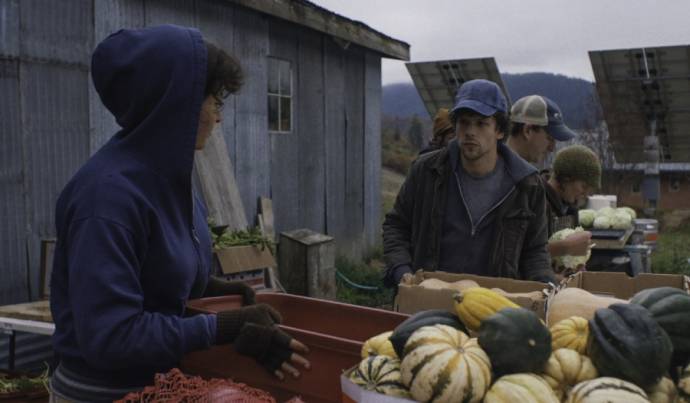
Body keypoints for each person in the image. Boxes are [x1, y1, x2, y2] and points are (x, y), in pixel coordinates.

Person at [49, 25, 309, 402]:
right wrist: (220, 327)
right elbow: (111, 337)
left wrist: (225, 295)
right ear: (176, 104)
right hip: (105, 393)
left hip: (162, 383)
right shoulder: (106, 198)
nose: (219, 118)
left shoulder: (170, 180)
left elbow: (155, 281)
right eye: (214, 102)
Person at [382, 79, 555, 288]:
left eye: (481, 123)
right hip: (427, 298)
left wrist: (544, 286)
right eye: (464, 122)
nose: (470, 132)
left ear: (499, 131)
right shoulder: (427, 171)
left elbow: (535, 250)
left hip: (492, 305)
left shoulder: (527, 185)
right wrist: (401, 270)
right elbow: (396, 225)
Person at [544, 145, 602, 269]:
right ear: (566, 178)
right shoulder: (536, 201)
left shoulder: (571, 208)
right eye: (583, 186)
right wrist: (565, 247)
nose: (585, 194)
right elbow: (526, 254)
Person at [506, 95, 577, 165]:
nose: (551, 148)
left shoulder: (507, 170)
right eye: (549, 138)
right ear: (527, 131)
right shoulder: (501, 173)